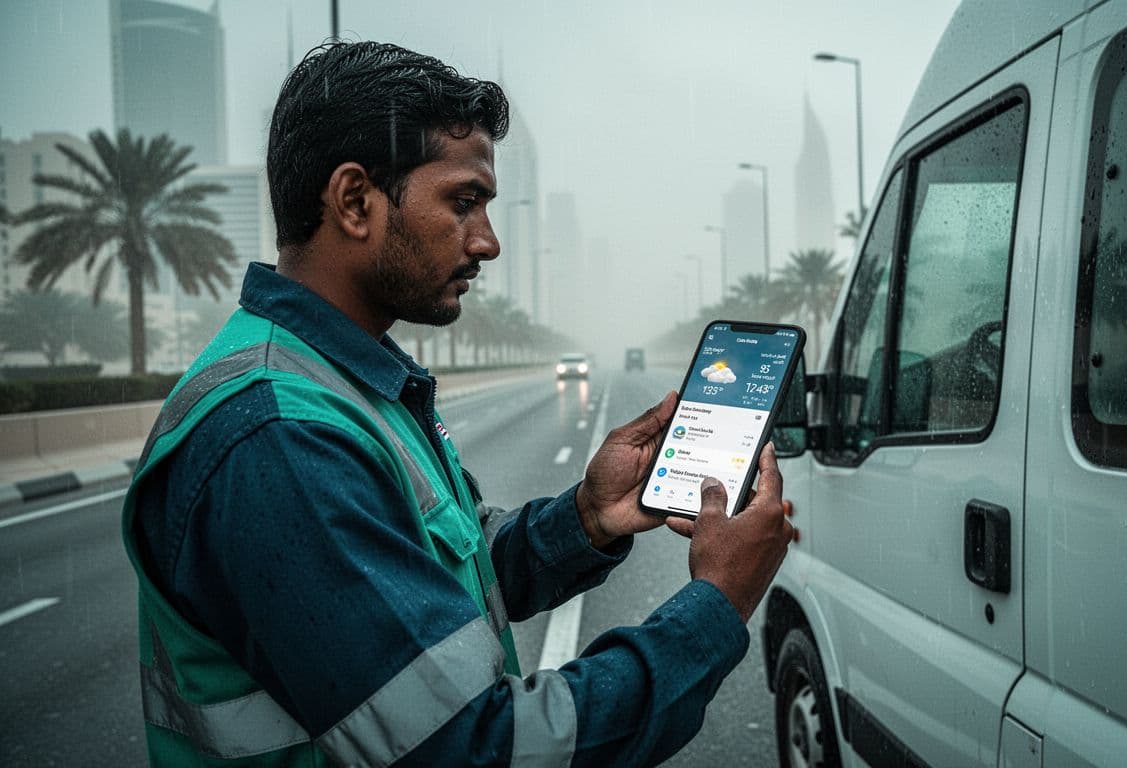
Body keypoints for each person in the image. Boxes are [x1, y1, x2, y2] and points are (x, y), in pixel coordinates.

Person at [121, 40, 796, 767]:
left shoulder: (345, 385)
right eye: (464, 202)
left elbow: (426, 589)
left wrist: (588, 519)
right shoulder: (279, 436)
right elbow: (475, 749)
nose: (489, 242)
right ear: (354, 202)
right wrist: (716, 605)